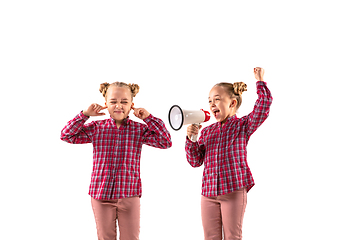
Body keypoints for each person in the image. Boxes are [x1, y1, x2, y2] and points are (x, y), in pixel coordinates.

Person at [60, 82, 172, 240]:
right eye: (113, 102)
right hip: (101, 194)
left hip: (129, 194)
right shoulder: (96, 128)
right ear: (106, 104)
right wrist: (84, 114)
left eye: (124, 102)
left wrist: (149, 118)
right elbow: (66, 135)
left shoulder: (139, 130)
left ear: (131, 105)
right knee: (105, 237)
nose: (118, 106)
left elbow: (165, 142)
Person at [185, 67, 272, 240]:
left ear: (232, 103)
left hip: (233, 190)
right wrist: (191, 139)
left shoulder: (243, 125)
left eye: (217, 99)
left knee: (232, 236)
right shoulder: (207, 131)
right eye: (209, 100)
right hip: (208, 193)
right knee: (210, 237)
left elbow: (263, 108)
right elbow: (195, 161)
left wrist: (260, 82)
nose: (212, 104)